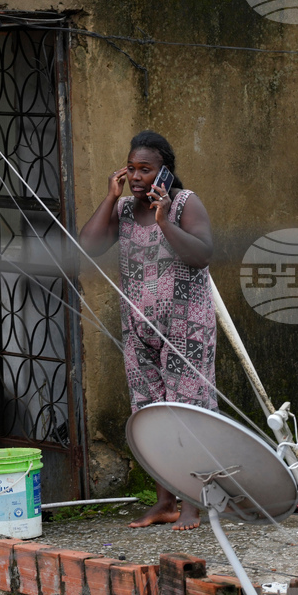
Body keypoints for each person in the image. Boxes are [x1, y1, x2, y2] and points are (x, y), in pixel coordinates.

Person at [79, 131, 216, 531]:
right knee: (150, 415)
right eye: (132, 169)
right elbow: (88, 246)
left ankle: (192, 505)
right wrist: (109, 197)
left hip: (186, 329)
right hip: (139, 328)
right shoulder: (121, 210)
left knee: (187, 416)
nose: (137, 177)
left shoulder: (185, 204)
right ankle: (165, 503)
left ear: (164, 173)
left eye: (146, 170)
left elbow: (202, 254)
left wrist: (163, 221)